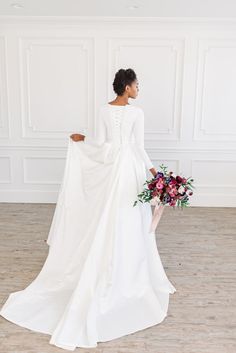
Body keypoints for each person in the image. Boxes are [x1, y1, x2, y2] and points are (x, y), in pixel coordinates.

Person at [0, 68, 176, 351]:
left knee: (110, 217)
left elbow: (104, 146)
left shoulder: (104, 110)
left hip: (113, 171)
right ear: (127, 87)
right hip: (129, 170)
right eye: (137, 85)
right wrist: (157, 174)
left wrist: (83, 142)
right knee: (129, 219)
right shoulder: (137, 113)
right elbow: (139, 148)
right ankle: (128, 272)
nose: (138, 89)